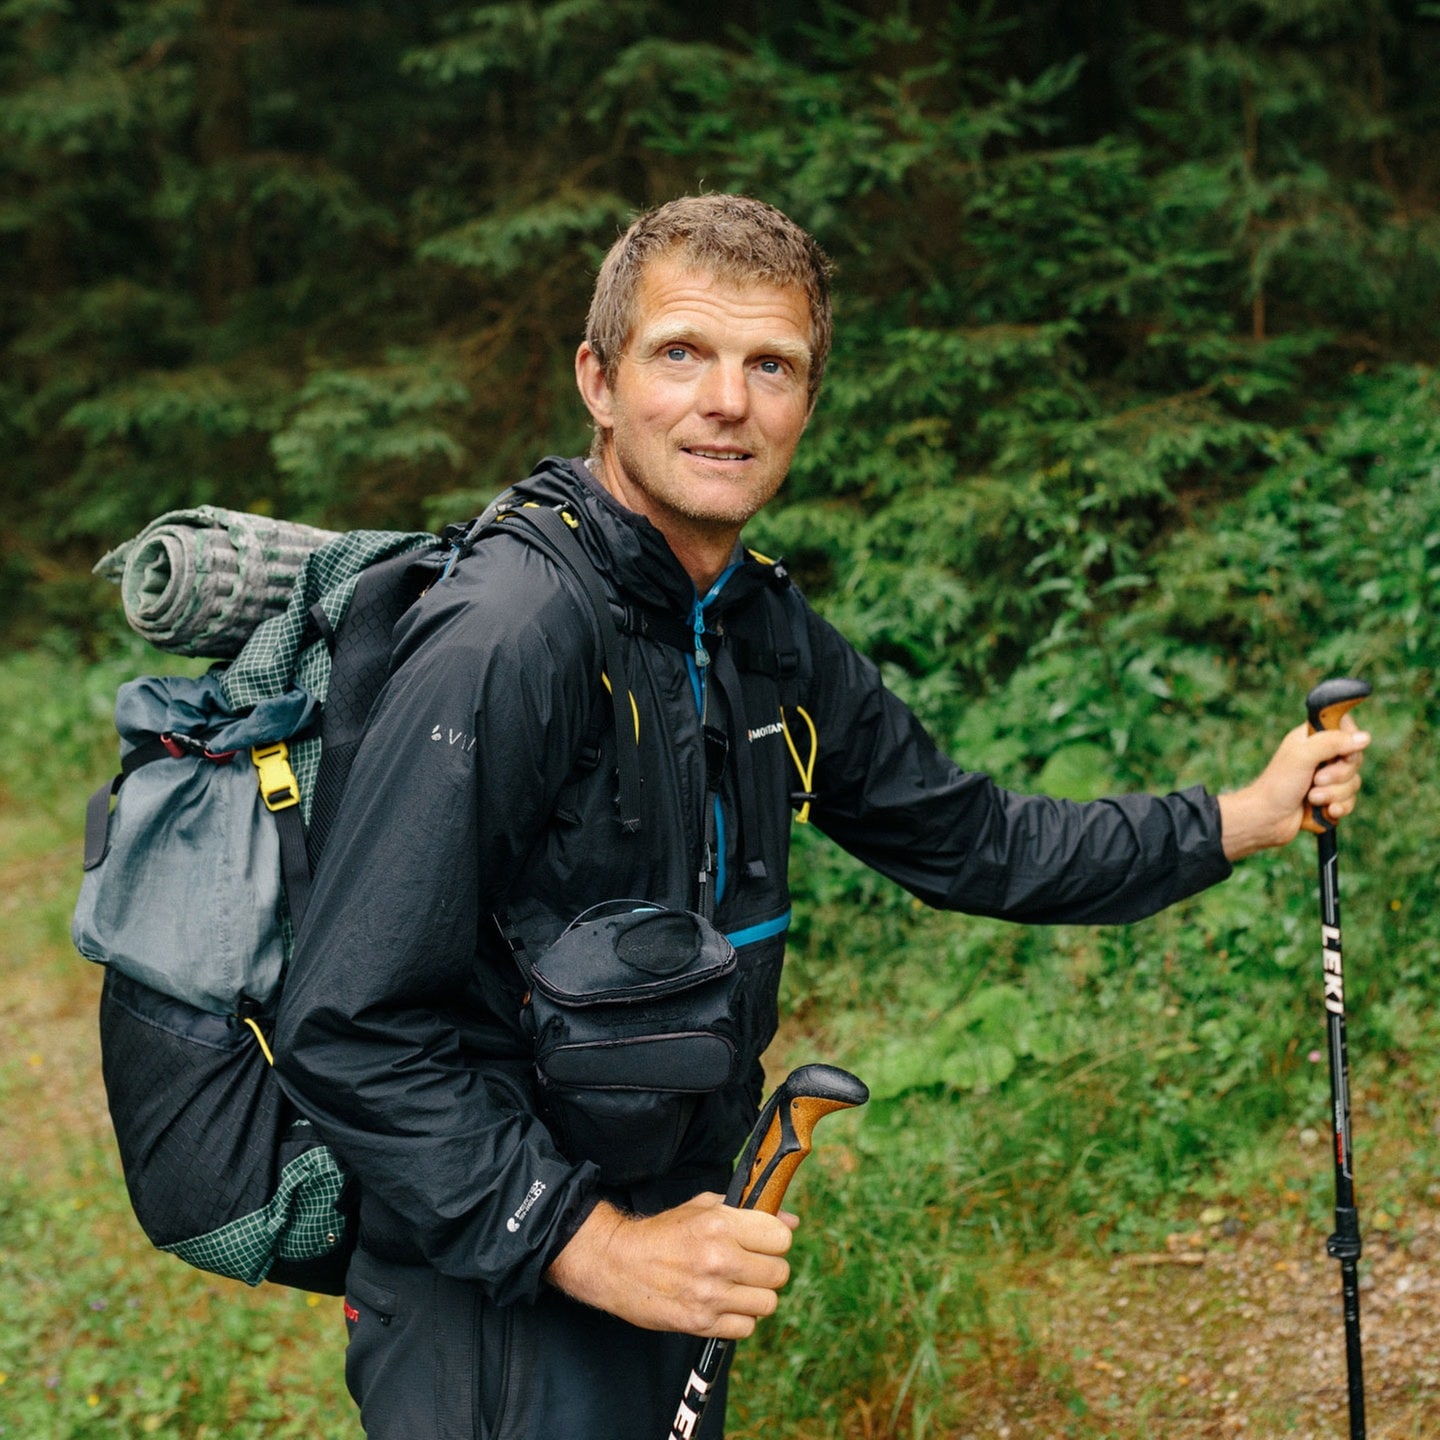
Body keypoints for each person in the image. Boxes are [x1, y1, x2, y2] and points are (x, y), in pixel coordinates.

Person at [273, 193, 1368, 1439]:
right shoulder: (510, 636)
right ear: (598, 378)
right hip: (499, 1295)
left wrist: (1237, 817)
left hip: (684, 1234)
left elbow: (976, 842)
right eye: (681, 352)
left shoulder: (754, 627)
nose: (727, 401)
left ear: (806, 401)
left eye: (771, 365)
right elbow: (348, 1025)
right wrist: (591, 1247)